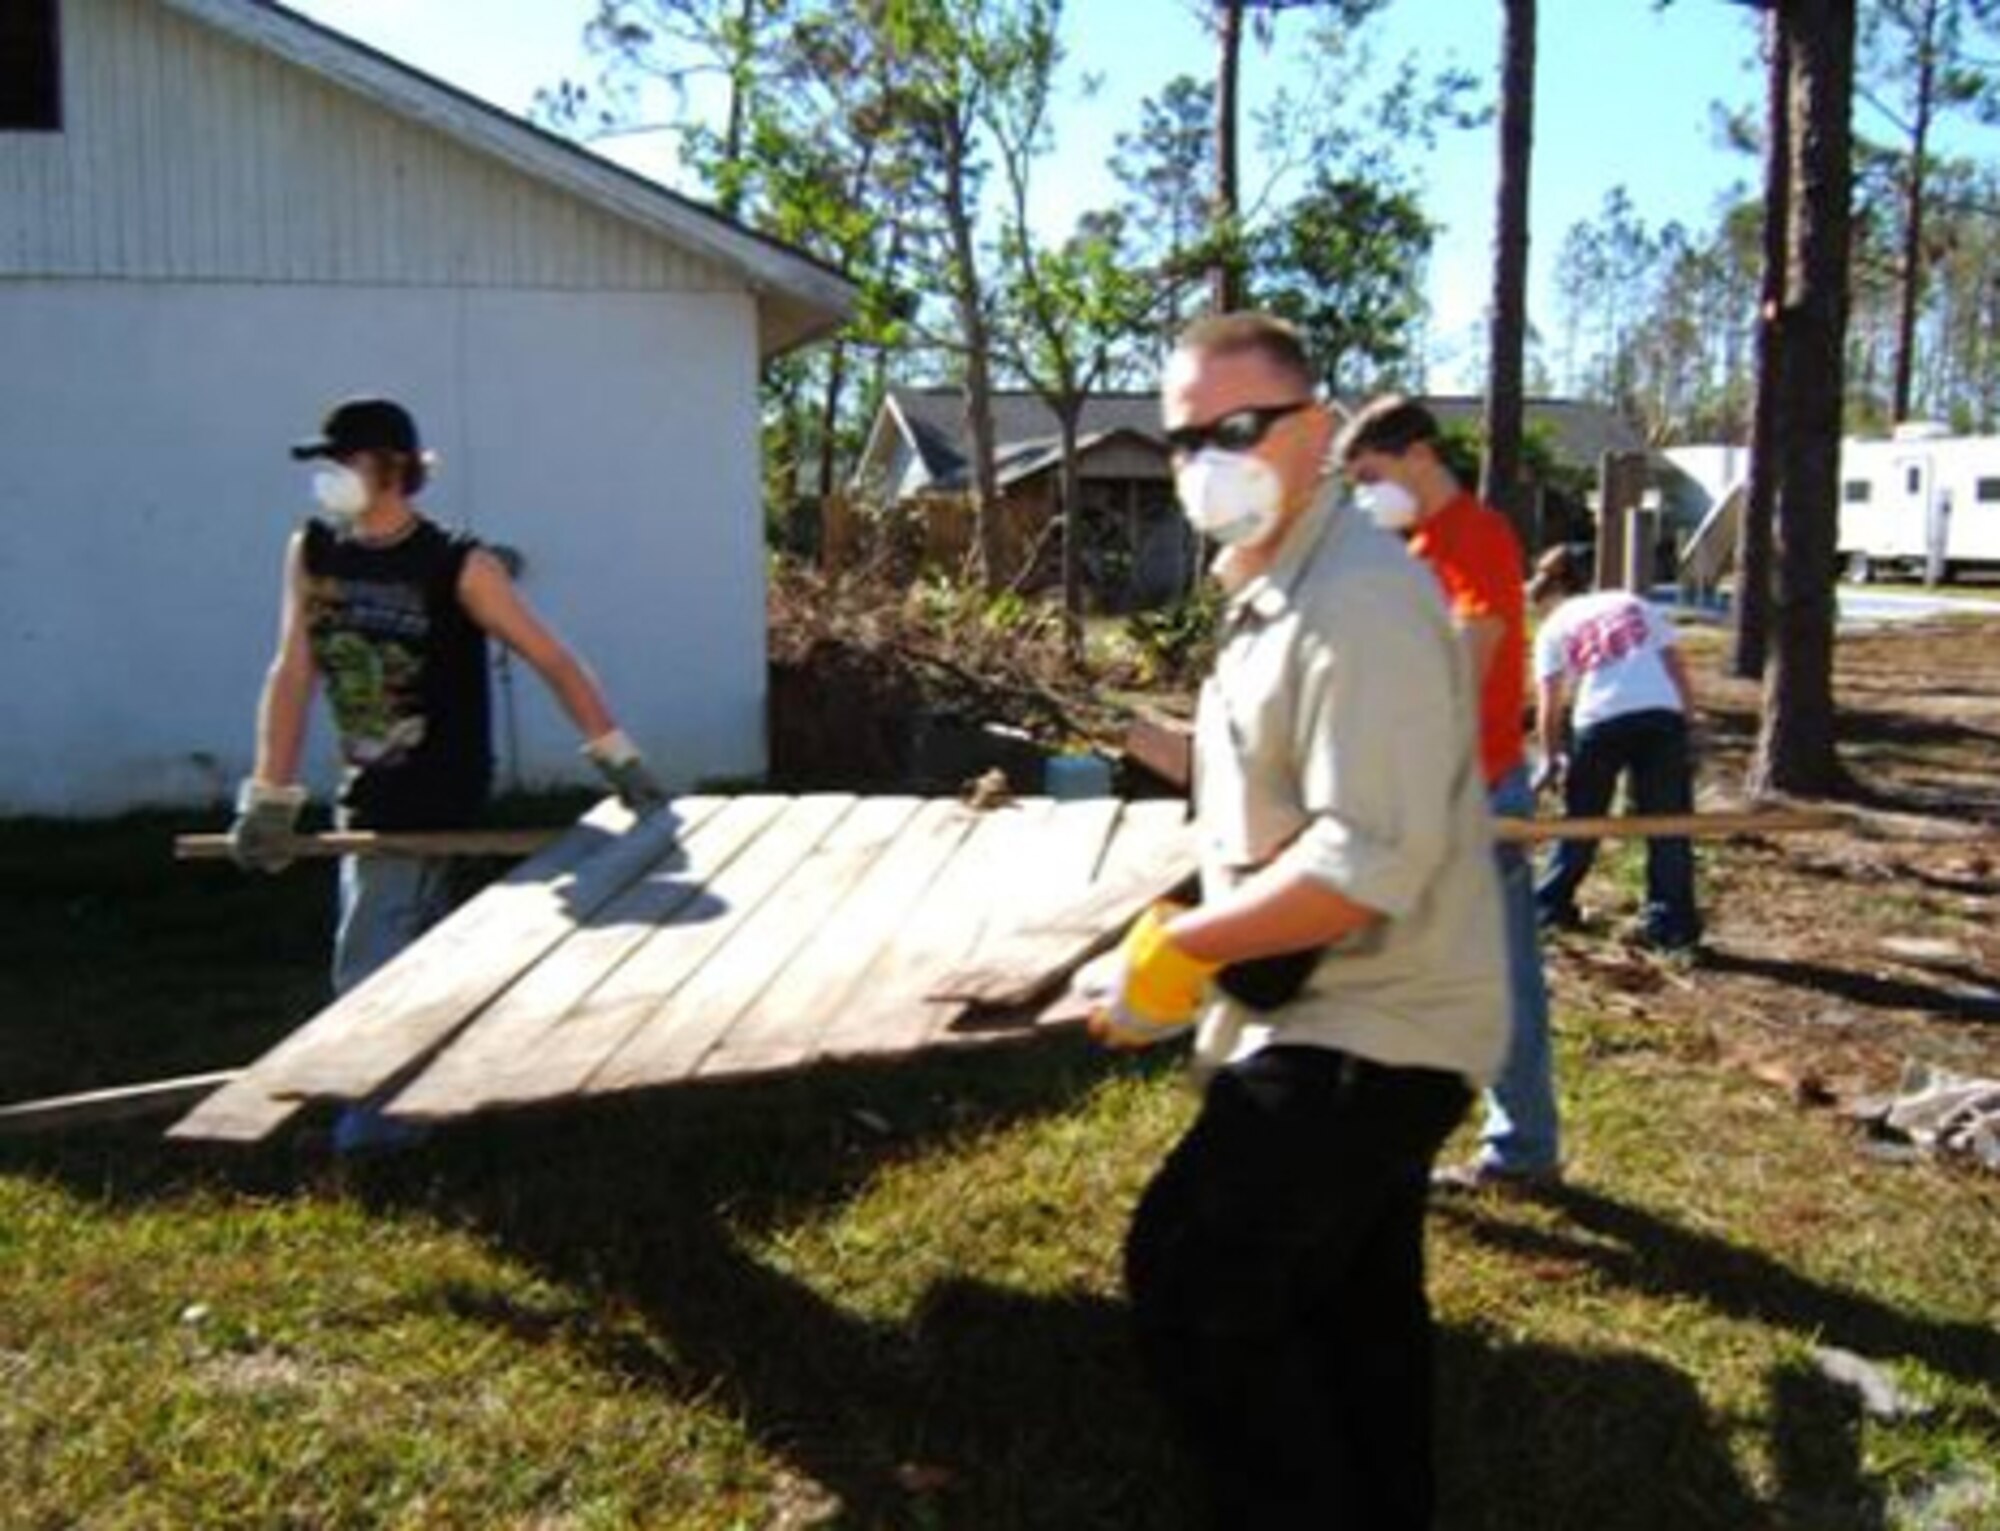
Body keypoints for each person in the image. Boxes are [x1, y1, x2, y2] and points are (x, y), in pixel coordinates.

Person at [1078, 314, 1506, 1527]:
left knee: (1191, 1278)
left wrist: (1180, 946)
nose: (1202, 458)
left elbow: (1360, 859)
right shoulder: (1279, 587)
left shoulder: (1352, 604)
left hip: (1370, 1022)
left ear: (1315, 432)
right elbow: (1274, 805)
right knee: (1349, 1308)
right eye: (1180, 438)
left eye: (1236, 428)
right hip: (1334, 1005)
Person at [228, 396, 667, 1150]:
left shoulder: (458, 563)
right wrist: (269, 794)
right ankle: (414, 1101)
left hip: (437, 784)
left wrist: (616, 755)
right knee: (406, 939)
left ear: (394, 467)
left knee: (371, 951)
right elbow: (293, 670)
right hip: (364, 783)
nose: (328, 476)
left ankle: (376, 1131)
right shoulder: (314, 553)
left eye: (343, 460)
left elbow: (551, 657)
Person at [1335, 395, 1562, 1190]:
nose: (1367, 494)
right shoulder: (1421, 544)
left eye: (1371, 475)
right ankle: (1503, 1145)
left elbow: (1468, 666)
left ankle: (1520, 1149)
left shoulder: (1475, 535)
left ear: (1418, 454)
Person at [1527, 545, 1702, 951]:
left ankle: (1549, 906)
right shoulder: (1630, 602)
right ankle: (1672, 926)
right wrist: (1689, 723)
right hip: (1662, 714)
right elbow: (1675, 665)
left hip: (1600, 720)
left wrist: (1551, 759)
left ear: (1550, 594)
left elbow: (1549, 705)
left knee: (1582, 820)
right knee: (1669, 824)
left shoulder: (1554, 627)